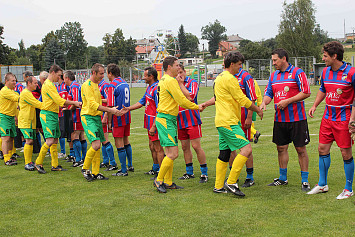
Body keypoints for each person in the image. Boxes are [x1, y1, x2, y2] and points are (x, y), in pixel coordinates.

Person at [201, 52, 263, 197]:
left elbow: (217, 98)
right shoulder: (230, 78)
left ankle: (218, 186)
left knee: (224, 153)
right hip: (229, 122)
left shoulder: (219, 78)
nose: (240, 67)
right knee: (246, 149)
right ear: (232, 64)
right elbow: (243, 100)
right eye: (239, 64)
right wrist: (257, 110)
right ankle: (231, 181)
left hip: (221, 121)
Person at [308, 41, 355, 199]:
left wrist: (352, 120)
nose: (323, 58)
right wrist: (315, 105)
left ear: (335, 56)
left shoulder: (351, 72)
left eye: (325, 55)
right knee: (322, 148)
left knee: (345, 152)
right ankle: (322, 184)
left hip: (344, 119)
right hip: (328, 118)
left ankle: (348, 188)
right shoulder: (326, 72)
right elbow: (323, 89)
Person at [260, 48, 311, 191]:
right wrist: (264, 102)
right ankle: (282, 178)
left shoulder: (297, 73)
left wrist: (287, 101)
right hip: (280, 119)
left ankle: (305, 180)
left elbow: (306, 92)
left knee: (300, 149)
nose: (273, 63)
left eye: (275, 60)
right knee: (281, 148)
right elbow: (269, 93)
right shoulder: (273, 76)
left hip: (297, 119)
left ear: (284, 59)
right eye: (273, 60)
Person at [153, 56, 203, 193]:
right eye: (176, 65)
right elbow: (181, 100)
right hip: (166, 119)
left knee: (170, 153)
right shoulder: (169, 81)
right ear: (169, 67)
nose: (178, 68)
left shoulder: (165, 80)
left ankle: (168, 182)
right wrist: (196, 107)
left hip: (167, 119)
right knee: (173, 153)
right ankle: (159, 179)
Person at [35, 64, 82, 174]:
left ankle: (54, 164)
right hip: (48, 115)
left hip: (53, 114)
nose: (59, 78)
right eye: (59, 75)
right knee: (50, 140)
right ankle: (38, 162)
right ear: (53, 73)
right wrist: (74, 102)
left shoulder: (51, 85)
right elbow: (60, 100)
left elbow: (57, 101)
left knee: (55, 140)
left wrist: (63, 105)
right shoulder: (48, 85)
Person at [119, 66, 164, 176]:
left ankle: (162, 173)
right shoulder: (149, 88)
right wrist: (128, 109)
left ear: (151, 76)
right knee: (152, 146)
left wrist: (154, 125)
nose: (143, 78)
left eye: (145, 76)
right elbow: (142, 102)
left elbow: (160, 109)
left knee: (158, 148)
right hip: (149, 122)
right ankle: (155, 168)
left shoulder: (157, 88)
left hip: (155, 123)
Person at [80, 63, 121, 181]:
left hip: (96, 117)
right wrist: (110, 110)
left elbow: (96, 100)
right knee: (96, 144)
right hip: (88, 117)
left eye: (104, 73)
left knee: (97, 146)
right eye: (101, 73)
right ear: (94, 73)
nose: (103, 76)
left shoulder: (96, 84)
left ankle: (96, 172)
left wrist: (111, 100)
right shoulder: (87, 85)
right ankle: (85, 168)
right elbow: (93, 105)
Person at [175, 65, 208, 183]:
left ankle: (204, 173)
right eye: (177, 73)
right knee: (184, 147)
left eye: (181, 72)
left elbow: (191, 97)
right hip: (180, 119)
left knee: (196, 146)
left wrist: (180, 84)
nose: (179, 75)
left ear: (185, 72)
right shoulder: (174, 83)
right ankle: (189, 172)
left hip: (192, 119)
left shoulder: (192, 82)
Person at [228, 65, 258, 188]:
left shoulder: (246, 77)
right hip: (229, 117)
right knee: (230, 148)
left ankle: (249, 177)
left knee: (245, 147)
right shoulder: (226, 76)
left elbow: (252, 99)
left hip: (242, 117)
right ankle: (233, 176)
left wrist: (249, 117)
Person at [107, 63, 133, 176]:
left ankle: (123, 170)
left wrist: (108, 121)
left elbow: (110, 106)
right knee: (126, 140)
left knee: (119, 143)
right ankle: (130, 165)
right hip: (127, 115)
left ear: (110, 73)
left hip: (118, 116)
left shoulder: (112, 85)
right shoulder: (125, 83)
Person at [18, 76, 43, 170]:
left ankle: (29, 161)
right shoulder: (26, 93)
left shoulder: (28, 93)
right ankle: (27, 163)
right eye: (35, 83)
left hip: (29, 121)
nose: (37, 85)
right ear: (29, 83)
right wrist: (50, 107)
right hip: (26, 121)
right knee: (29, 141)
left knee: (30, 141)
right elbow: (37, 104)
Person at [64, 70, 87, 167]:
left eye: (64, 78)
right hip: (79, 114)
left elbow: (76, 102)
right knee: (81, 136)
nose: (64, 80)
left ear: (67, 78)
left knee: (75, 136)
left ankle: (78, 159)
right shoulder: (75, 86)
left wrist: (68, 109)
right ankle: (84, 158)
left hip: (76, 115)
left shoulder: (74, 87)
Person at [0, 72, 20, 165]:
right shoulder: (5, 91)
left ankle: (10, 155)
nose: (14, 82)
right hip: (4, 117)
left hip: (11, 117)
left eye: (15, 80)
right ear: (6, 81)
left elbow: (15, 105)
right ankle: (6, 159)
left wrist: (16, 116)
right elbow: (18, 99)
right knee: (6, 138)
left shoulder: (12, 91)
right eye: (12, 81)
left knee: (11, 137)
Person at [98, 76, 117, 171]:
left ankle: (113, 163)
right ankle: (105, 161)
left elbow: (109, 100)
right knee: (102, 139)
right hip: (99, 114)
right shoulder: (98, 85)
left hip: (103, 115)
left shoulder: (104, 85)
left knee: (105, 139)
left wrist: (105, 117)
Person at [57, 74, 70, 159]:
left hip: (66, 112)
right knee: (61, 132)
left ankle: (64, 152)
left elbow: (68, 98)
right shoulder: (58, 87)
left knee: (67, 133)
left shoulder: (65, 86)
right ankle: (63, 151)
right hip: (59, 112)